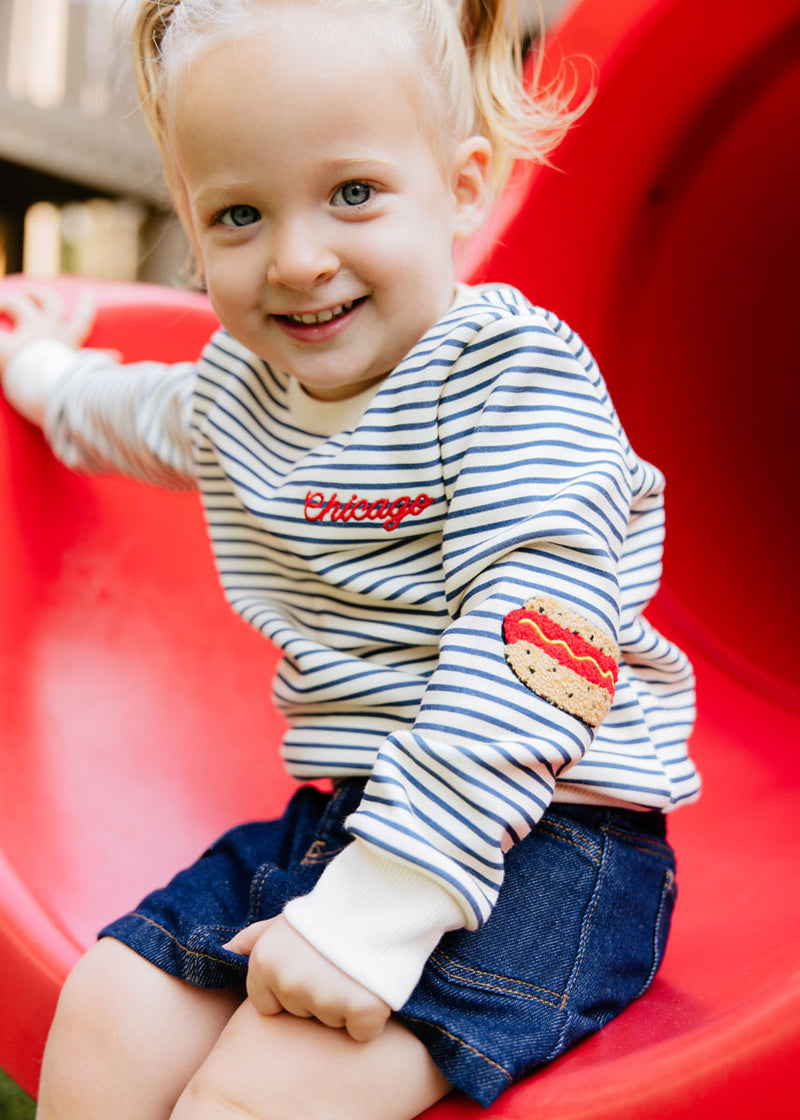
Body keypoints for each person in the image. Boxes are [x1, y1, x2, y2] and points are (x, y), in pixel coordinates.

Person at [0, 1, 701, 1117]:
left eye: (353, 193)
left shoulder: (507, 374)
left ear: (462, 186)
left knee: (254, 1094)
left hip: (549, 832)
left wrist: (378, 908)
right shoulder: (243, 391)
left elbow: (542, 649)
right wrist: (36, 368)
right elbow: (128, 410)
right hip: (350, 811)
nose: (296, 258)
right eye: (238, 213)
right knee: (106, 1010)